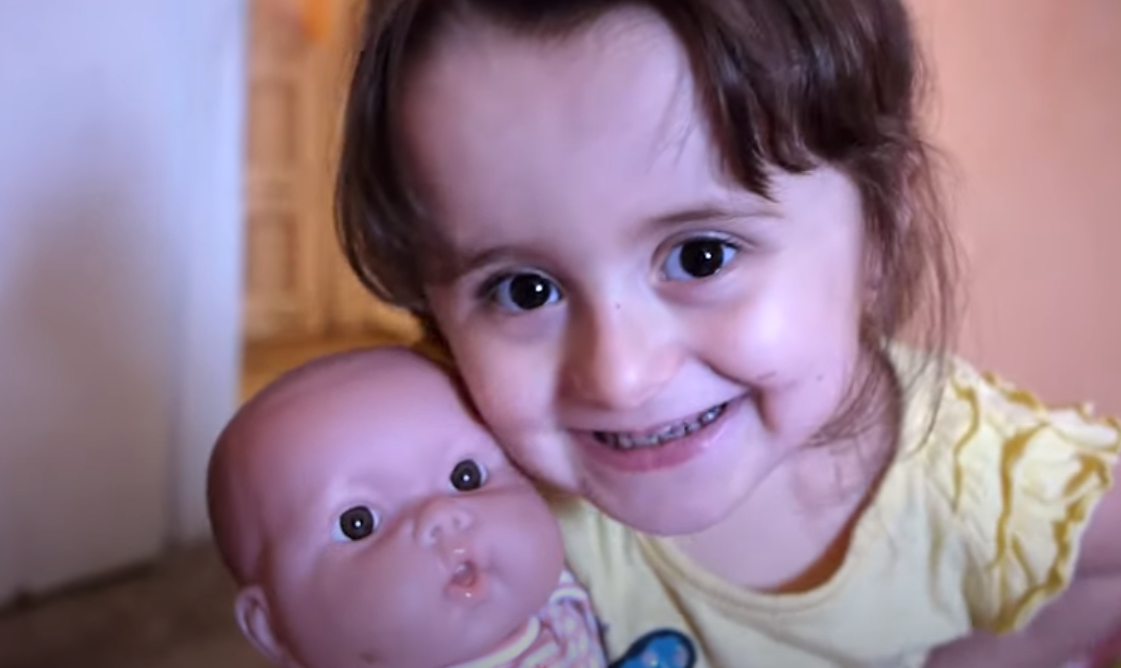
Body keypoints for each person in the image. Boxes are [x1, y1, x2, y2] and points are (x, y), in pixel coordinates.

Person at [332, 0, 1121, 666]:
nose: (620, 376)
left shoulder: (976, 479)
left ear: (881, 229)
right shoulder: (472, 487)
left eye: (700, 255)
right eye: (522, 288)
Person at [205, 347, 608, 668]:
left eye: (466, 477)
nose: (441, 516)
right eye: (358, 522)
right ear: (274, 629)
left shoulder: (560, 590)